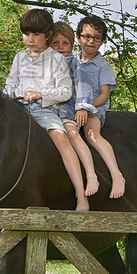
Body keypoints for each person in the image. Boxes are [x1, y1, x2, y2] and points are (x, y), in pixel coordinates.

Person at [4, 9, 91, 211]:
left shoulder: (56, 59)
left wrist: (40, 93)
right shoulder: (19, 57)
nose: (30, 39)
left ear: (48, 35)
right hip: (17, 106)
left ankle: (81, 196)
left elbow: (65, 91)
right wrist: (9, 94)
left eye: (36, 34)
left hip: (43, 109)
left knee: (61, 138)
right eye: (26, 34)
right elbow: (10, 84)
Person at [74, 15, 125, 199]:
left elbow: (103, 95)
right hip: (69, 109)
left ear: (102, 41)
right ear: (78, 37)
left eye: (96, 38)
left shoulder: (103, 66)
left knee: (92, 135)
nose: (91, 41)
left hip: (93, 110)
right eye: (87, 36)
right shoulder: (70, 61)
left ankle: (116, 175)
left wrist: (85, 107)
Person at [49, 21, 100, 198]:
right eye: (56, 43)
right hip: (48, 110)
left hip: (66, 109)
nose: (60, 47)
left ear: (72, 45)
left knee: (72, 134)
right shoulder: (45, 63)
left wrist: (82, 108)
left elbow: (84, 86)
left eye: (65, 43)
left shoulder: (73, 64)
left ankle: (91, 175)